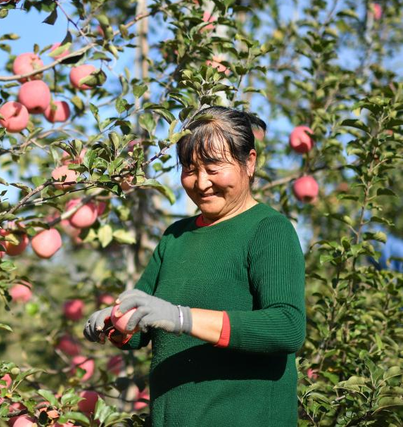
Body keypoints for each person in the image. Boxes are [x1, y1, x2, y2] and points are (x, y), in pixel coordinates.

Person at [83, 107, 306, 426]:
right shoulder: (176, 237)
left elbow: (287, 327)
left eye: (214, 167)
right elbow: (139, 330)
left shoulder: (268, 230)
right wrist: (114, 321)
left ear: (250, 162)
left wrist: (181, 318)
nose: (201, 183)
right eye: (190, 168)